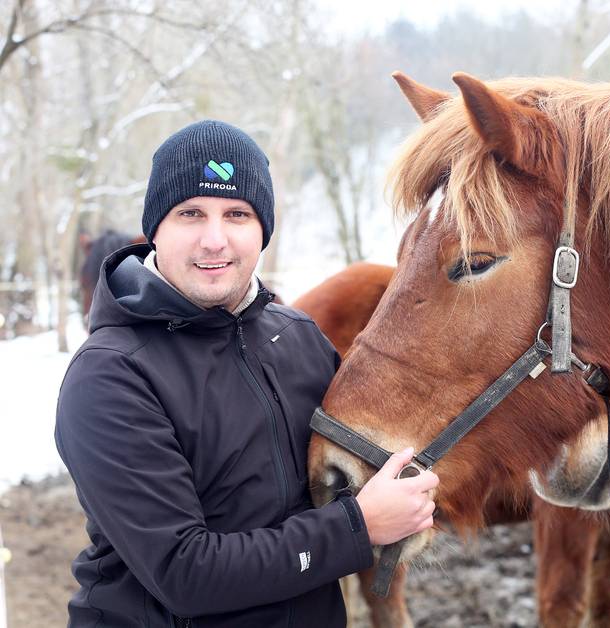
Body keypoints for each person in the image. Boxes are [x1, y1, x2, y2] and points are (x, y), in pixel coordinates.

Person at [55, 120, 438, 627]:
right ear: (155, 229)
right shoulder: (110, 377)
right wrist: (358, 527)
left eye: (237, 214)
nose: (215, 240)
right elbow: (184, 573)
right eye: (190, 213)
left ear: (263, 231)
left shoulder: (298, 337)